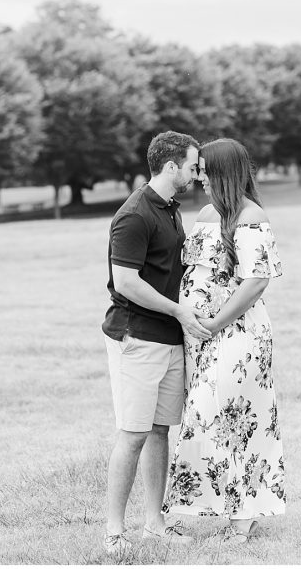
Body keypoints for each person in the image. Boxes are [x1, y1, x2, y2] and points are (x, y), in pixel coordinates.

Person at [162, 138, 285, 541]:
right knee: (206, 418)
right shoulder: (205, 213)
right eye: (197, 170)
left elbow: (256, 281)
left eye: (205, 171)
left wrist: (214, 322)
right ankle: (201, 508)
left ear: (225, 172)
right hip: (201, 336)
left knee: (230, 418)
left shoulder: (250, 217)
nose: (199, 178)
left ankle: (242, 518)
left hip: (239, 333)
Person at [102, 130, 210, 554]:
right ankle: (113, 531)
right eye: (192, 165)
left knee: (160, 431)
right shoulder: (134, 215)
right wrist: (180, 311)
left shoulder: (169, 209)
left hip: (167, 338)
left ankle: (154, 523)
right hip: (137, 337)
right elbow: (126, 282)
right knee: (132, 433)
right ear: (171, 167)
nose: (196, 172)